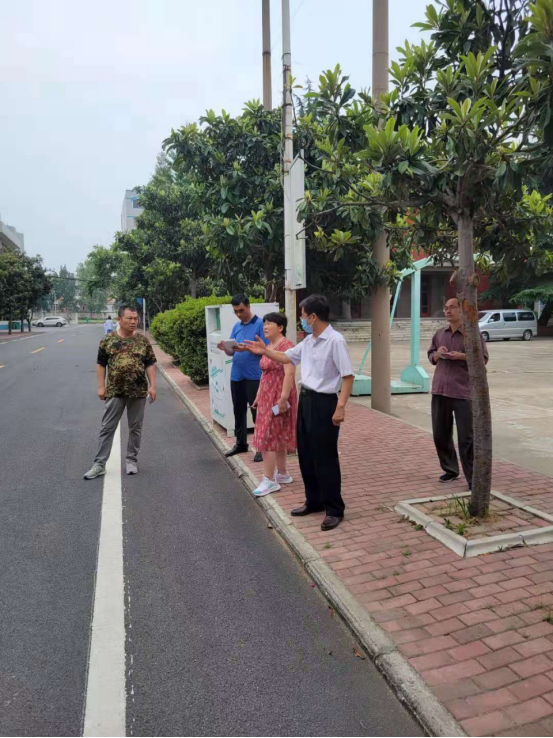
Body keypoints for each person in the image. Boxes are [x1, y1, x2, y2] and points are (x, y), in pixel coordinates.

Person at [245, 295, 354, 531]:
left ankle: (334, 509)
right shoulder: (309, 341)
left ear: (313, 317)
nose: (301, 320)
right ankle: (314, 501)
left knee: (325, 456)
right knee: (306, 454)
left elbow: (348, 376)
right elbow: (286, 357)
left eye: (303, 316)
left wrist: (341, 407)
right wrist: (265, 351)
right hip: (305, 400)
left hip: (324, 403)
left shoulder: (335, 341)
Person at [84, 305, 157, 480]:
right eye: (129, 318)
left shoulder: (143, 341)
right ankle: (99, 464)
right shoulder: (108, 340)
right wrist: (101, 386)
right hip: (115, 391)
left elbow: (149, 363)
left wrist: (153, 385)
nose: (133, 321)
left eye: (135, 318)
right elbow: (101, 364)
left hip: (138, 392)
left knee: (135, 428)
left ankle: (131, 460)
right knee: (107, 428)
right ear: (119, 319)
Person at [428, 297, 489, 488]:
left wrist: (461, 356)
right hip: (440, 390)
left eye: (452, 307)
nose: (448, 311)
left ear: (462, 310)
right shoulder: (440, 333)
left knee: (467, 438)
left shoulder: (472, 335)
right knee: (440, 434)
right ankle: (450, 470)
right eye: (445, 308)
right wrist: (438, 354)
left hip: (462, 392)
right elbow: (431, 355)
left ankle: (473, 479)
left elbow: (482, 359)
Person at [251, 312, 298, 497]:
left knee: (268, 436)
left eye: (269, 323)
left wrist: (284, 398)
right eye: (264, 323)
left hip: (279, 396)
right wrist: (258, 394)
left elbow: (290, 373)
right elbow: (265, 373)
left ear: (280, 327)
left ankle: (269, 480)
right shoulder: (268, 346)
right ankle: (282, 474)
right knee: (276, 435)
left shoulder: (287, 346)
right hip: (266, 396)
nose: (265, 326)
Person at [217, 295, 267, 462]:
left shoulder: (260, 325)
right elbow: (232, 351)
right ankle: (241, 443)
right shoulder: (236, 326)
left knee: (257, 411)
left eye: (241, 310)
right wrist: (225, 348)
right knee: (238, 410)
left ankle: (261, 447)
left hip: (254, 376)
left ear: (249, 306)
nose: (239, 314)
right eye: (236, 311)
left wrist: (248, 349)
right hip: (237, 375)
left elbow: (266, 349)